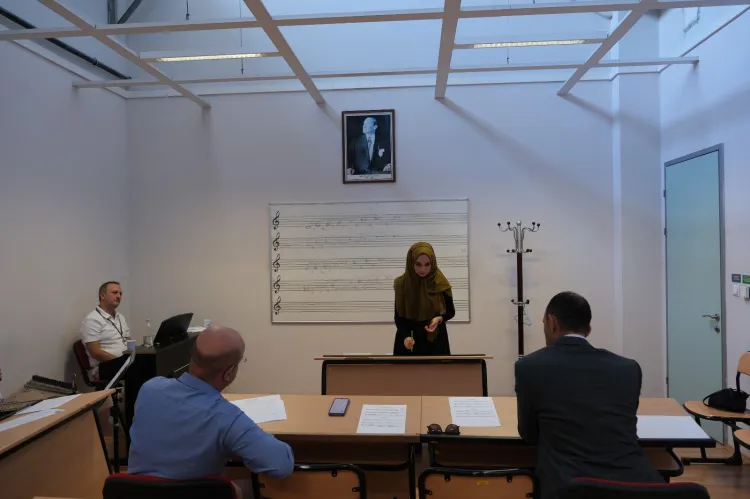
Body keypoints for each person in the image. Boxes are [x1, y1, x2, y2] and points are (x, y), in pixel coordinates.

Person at [515, 291, 662, 499]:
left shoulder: (529, 367)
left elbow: (529, 435)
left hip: (567, 488)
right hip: (635, 486)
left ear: (552, 322)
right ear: (588, 330)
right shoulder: (628, 368)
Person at [128, 325, 294, 484]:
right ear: (229, 373)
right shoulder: (227, 418)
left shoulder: (149, 389)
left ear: (192, 357)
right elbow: (281, 465)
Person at [392, 242, 455, 355]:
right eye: (418, 264)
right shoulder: (401, 284)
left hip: (435, 342)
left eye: (427, 264)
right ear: (411, 262)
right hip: (409, 341)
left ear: (433, 263)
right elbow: (399, 318)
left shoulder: (441, 283)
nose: (423, 269)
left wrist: (439, 319)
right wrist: (406, 336)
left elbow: (450, 312)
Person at [80, 281, 130, 377]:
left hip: (124, 363)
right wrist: (121, 363)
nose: (119, 296)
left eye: (120, 294)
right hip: (105, 368)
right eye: (115, 292)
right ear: (102, 296)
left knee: (150, 363)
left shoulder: (121, 317)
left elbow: (128, 341)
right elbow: (95, 352)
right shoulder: (92, 319)